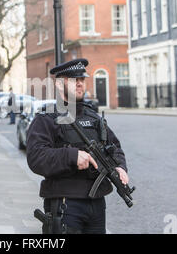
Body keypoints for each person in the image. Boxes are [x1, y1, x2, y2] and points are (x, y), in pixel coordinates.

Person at [26, 58, 129, 234]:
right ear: (59, 85)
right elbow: (36, 157)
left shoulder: (94, 117)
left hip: (96, 204)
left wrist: (120, 167)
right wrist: (72, 156)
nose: (80, 84)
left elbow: (114, 147)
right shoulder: (47, 118)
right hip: (65, 203)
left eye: (82, 80)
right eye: (74, 80)